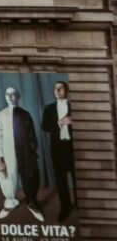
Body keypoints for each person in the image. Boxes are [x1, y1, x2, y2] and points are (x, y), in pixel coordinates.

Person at [0, 86, 43, 221]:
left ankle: (31, 201)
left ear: (18, 97)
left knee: (30, 175)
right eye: (7, 94)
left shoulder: (25, 114)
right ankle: (9, 202)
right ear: (5, 96)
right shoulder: (0, 115)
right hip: (8, 151)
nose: (10, 97)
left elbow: (31, 135)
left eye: (13, 94)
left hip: (25, 151)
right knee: (8, 177)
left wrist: (31, 151)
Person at [41, 81, 76, 222]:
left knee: (76, 178)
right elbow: (45, 127)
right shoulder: (49, 109)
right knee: (61, 180)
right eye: (55, 88)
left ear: (66, 90)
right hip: (57, 148)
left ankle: (81, 204)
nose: (57, 90)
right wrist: (60, 123)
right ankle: (65, 207)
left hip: (72, 147)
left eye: (60, 88)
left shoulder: (74, 107)